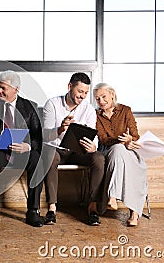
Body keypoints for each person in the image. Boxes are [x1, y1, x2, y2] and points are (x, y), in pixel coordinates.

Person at [0, 70, 45, 227]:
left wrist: (27, 146)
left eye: (3, 88)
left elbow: (38, 136)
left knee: (37, 161)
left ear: (16, 89)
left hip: (21, 151)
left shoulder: (29, 107)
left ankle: (33, 211)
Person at [43, 72, 105, 226]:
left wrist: (93, 146)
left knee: (99, 158)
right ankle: (52, 208)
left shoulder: (89, 109)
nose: (82, 96)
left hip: (78, 152)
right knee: (50, 156)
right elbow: (44, 135)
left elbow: (93, 135)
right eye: (80, 91)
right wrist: (60, 128)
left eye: (85, 93)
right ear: (70, 87)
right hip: (57, 150)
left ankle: (92, 207)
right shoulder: (52, 104)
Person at [94, 83, 147, 227]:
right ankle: (133, 212)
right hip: (107, 151)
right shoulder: (96, 115)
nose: (101, 101)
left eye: (103, 96)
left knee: (133, 165)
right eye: (97, 98)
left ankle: (114, 196)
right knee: (117, 149)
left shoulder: (126, 110)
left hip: (129, 151)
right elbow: (103, 139)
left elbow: (135, 135)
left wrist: (130, 140)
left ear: (112, 94)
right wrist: (120, 141)